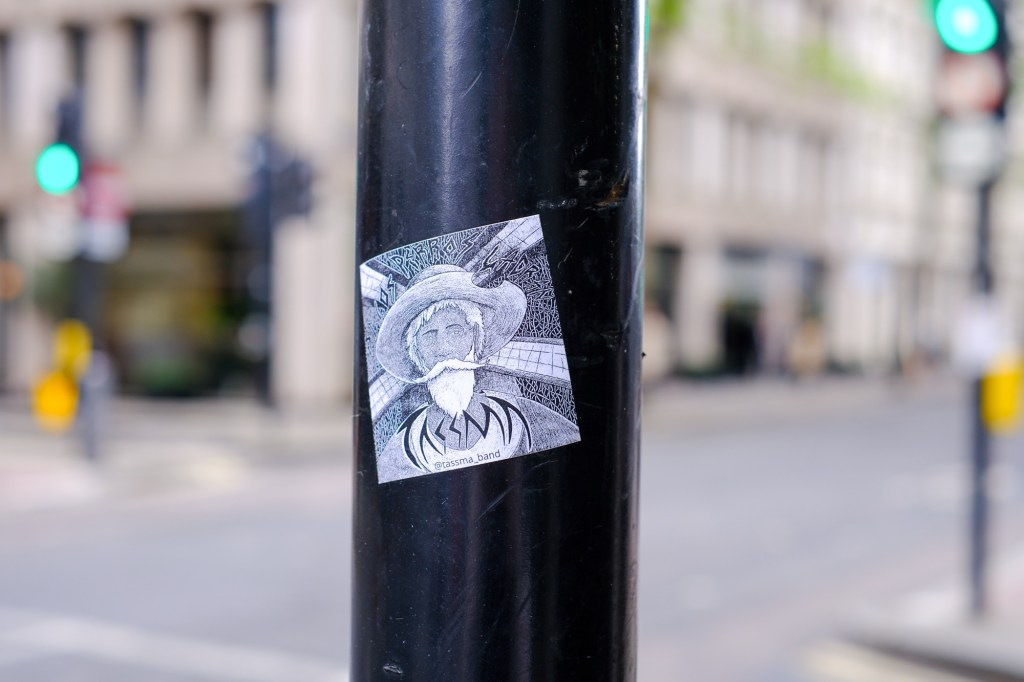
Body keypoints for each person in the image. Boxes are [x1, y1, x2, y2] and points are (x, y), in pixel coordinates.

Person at [374, 264, 579, 482]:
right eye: (429, 335)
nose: (443, 348)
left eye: (455, 331)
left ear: (475, 336)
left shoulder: (529, 419)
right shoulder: (401, 450)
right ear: (416, 353)